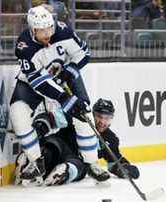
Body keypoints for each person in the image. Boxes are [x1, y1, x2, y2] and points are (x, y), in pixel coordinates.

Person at [10, 5, 109, 185]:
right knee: (17, 112)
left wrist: (70, 70)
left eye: (49, 27)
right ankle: (36, 161)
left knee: (83, 112)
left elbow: (84, 53)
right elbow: (38, 81)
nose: (47, 33)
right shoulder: (24, 46)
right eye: (42, 30)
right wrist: (64, 98)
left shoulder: (63, 31)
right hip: (33, 83)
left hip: (64, 75)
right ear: (33, 30)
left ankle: (91, 164)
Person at [15, 111, 87, 187]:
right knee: (50, 150)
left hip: (70, 160)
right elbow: (53, 117)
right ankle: (31, 159)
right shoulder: (81, 120)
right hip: (58, 145)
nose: (101, 121)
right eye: (98, 116)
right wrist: (40, 127)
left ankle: (63, 171)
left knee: (81, 168)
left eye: (101, 117)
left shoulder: (99, 139)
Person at [92, 98, 140, 179]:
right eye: (99, 116)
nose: (102, 122)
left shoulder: (111, 138)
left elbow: (113, 161)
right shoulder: (81, 129)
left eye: (107, 118)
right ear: (93, 115)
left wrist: (123, 168)